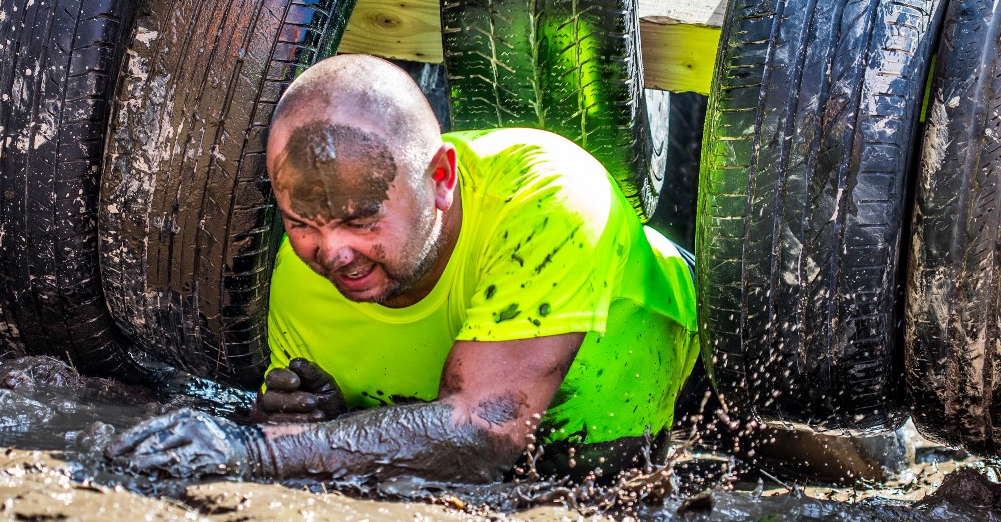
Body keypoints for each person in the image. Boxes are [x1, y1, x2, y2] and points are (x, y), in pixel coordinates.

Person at [105, 54, 699, 483]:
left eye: (362, 220)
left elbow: (486, 431)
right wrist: (314, 420)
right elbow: (390, 443)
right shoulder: (298, 276)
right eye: (302, 222)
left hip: (688, 387)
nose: (332, 253)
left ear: (441, 180)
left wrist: (259, 451)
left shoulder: (549, 195)